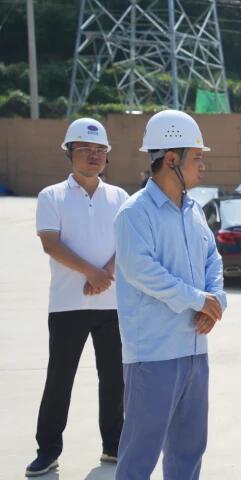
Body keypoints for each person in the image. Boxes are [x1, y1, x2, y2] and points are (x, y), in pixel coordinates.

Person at [113, 109, 226, 479]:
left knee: (188, 452)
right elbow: (141, 271)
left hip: (194, 351)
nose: (203, 166)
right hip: (153, 355)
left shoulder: (194, 211)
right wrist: (198, 300)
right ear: (172, 159)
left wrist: (215, 301)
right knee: (139, 455)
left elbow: (212, 258)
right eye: (197, 158)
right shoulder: (135, 213)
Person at [28, 118, 128, 477]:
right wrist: (92, 273)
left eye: (100, 150)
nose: (93, 155)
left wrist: (106, 275)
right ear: (69, 152)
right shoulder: (51, 195)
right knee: (60, 378)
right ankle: (48, 450)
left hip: (112, 304)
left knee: (114, 378)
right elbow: (50, 243)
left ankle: (113, 445)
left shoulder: (119, 197)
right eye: (85, 149)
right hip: (68, 304)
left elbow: (126, 242)